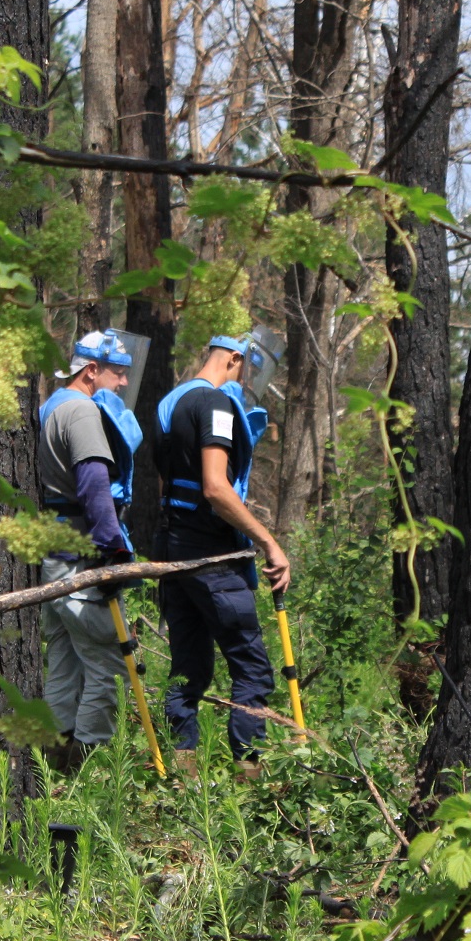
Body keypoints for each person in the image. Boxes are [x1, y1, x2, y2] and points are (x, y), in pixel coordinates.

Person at [152, 332, 291, 778]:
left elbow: (169, 484)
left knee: (188, 672)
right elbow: (215, 487)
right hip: (210, 556)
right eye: (247, 367)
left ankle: (182, 780)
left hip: (172, 552)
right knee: (252, 670)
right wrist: (267, 541)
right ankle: (250, 781)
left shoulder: (171, 403)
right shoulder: (214, 404)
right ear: (234, 358)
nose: (247, 378)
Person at [36, 329, 141, 769]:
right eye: (117, 373)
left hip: (52, 556)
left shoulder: (51, 406)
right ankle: (92, 764)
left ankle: (51, 764)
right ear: (91, 370)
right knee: (110, 664)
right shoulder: (81, 411)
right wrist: (112, 548)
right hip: (79, 559)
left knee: (65, 662)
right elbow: (94, 482)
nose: (123, 382)